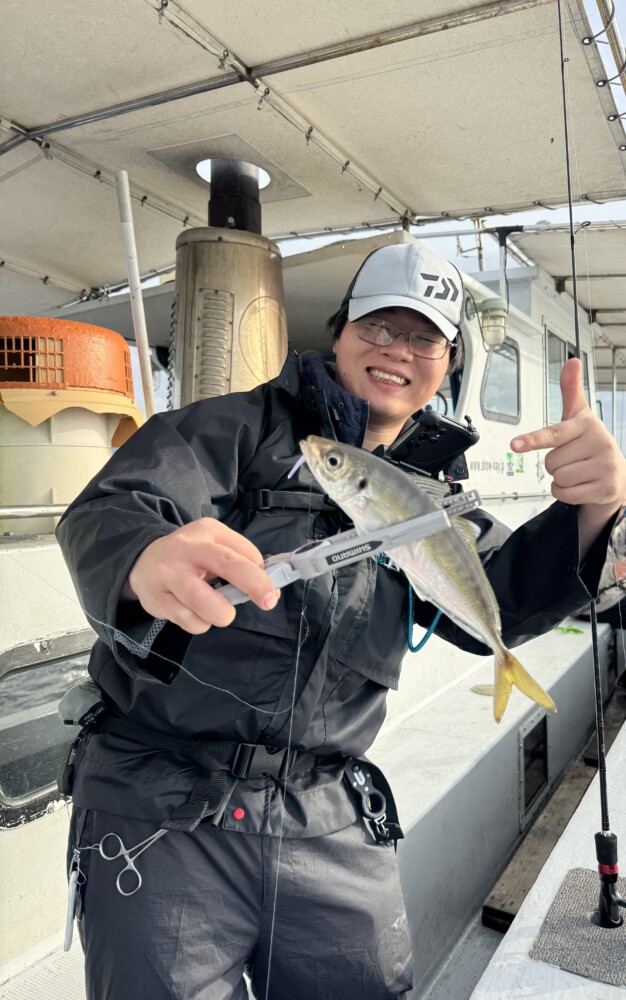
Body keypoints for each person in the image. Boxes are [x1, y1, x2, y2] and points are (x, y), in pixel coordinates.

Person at [56, 241, 626, 1000]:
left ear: (447, 362)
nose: (397, 351)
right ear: (340, 330)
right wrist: (143, 556)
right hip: (161, 804)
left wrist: (592, 512)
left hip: (328, 810)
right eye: (378, 327)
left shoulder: (434, 497)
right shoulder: (227, 429)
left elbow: (508, 596)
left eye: (422, 337)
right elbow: (114, 507)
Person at [576, 511, 626, 628]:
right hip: (596, 606)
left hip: (616, 593)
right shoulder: (581, 534)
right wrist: (612, 572)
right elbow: (577, 583)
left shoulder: (612, 525)